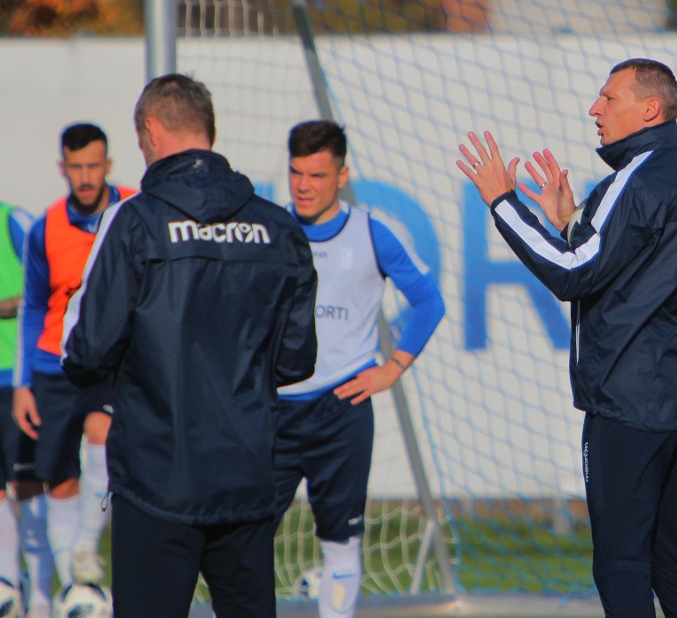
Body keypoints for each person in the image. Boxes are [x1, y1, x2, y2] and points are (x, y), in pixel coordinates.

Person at [457, 58, 677, 617]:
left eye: (608, 97)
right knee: (676, 566)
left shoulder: (639, 177)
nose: (594, 109)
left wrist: (505, 203)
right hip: (671, 399)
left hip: (628, 403)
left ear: (649, 108)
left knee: (622, 565)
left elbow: (573, 273)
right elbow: (626, 269)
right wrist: (569, 221)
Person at [61, 73, 318, 617]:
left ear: (152, 130)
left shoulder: (132, 221)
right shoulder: (279, 228)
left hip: (157, 477)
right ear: (210, 130)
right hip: (246, 477)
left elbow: (84, 352)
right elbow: (296, 359)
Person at [275, 120, 445, 618]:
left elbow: (428, 302)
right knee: (243, 536)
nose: (304, 185)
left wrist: (392, 368)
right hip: (273, 411)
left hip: (340, 411)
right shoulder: (270, 230)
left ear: (342, 175)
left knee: (340, 540)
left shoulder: (371, 233)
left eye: (317, 175)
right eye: (295, 173)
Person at [13, 123, 135, 591]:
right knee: (59, 479)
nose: (85, 177)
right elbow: (36, 307)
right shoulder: (45, 228)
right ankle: (75, 589)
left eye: (93, 166)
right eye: (76, 167)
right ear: (62, 168)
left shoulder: (133, 209)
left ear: (108, 165)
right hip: (53, 364)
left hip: (111, 362)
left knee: (103, 433)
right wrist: (24, 384)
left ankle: (86, 543)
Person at [0, 202, 54, 617]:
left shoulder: (13, 222)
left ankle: (41, 592)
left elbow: (52, 289)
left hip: (16, 380)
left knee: (29, 483)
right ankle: (7, 585)